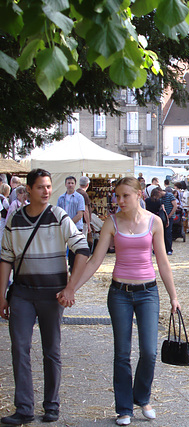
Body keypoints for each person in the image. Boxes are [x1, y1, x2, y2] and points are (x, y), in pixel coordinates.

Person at [57, 177, 180, 426]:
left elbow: (163, 263)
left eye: (125, 196)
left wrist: (173, 297)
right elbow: (94, 261)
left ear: (138, 195)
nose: (119, 200)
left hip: (148, 292)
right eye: (117, 196)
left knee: (149, 351)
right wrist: (72, 288)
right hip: (119, 293)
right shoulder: (111, 222)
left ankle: (142, 397)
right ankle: (124, 407)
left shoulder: (154, 222)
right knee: (122, 353)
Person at [0, 168, 90, 425]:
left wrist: (71, 287)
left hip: (52, 295)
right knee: (19, 348)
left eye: (49, 187)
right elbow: (6, 258)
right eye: (41, 187)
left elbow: (82, 249)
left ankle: (52, 405)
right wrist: (1, 295)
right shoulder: (14, 218)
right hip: (22, 293)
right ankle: (24, 408)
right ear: (29, 189)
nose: (46, 191)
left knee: (51, 350)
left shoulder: (59, 216)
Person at [57, 176, 85, 272]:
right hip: (63, 228)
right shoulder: (61, 198)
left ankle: (74, 270)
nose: (70, 185)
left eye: (72, 183)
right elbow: (58, 213)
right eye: (68, 183)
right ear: (65, 184)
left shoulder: (79, 198)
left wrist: (69, 224)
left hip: (75, 227)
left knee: (74, 250)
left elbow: (80, 214)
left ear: (75, 184)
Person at [160, 184, 177, 255]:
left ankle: (169, 249)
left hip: (169, 217)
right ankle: (162, 249)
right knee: (162, 233)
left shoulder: (170, 195)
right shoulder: (160, 198)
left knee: (168, 233)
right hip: (162, 217)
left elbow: (175, 205)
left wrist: (170, 215)